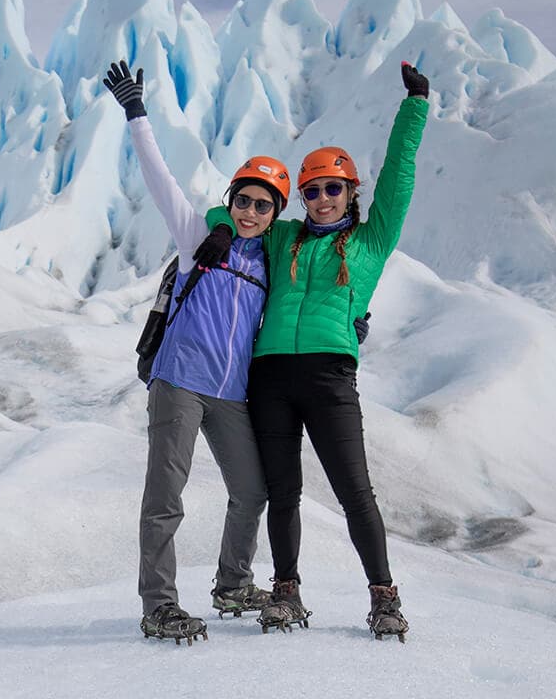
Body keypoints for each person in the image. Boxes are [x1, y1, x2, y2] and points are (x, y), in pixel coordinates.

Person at [102, 60, 287, 644]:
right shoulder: (198, 238)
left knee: (252, 491)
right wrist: (137, 115)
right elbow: (160, 177)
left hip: (231, 394)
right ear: (231, 200)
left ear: (275, 214)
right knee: (165, 497)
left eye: (263, 205)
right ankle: (159, 604)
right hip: (179, 381)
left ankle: (233, 583)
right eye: (244, 200)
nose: (251, 212)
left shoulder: (271, 263)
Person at [248, 61, 430, 640]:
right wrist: (222, 225)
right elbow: (238, 208)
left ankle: (383, 596)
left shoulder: (371, 240)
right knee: (283, 492)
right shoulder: (283, 237)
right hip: (270, 376)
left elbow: (400, 177)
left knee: (356, 493)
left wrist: (415, 106)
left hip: (329, 377)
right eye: (312, 191)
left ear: (351, 191)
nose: (322, 198)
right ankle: (285, 590)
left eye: (333, 188)